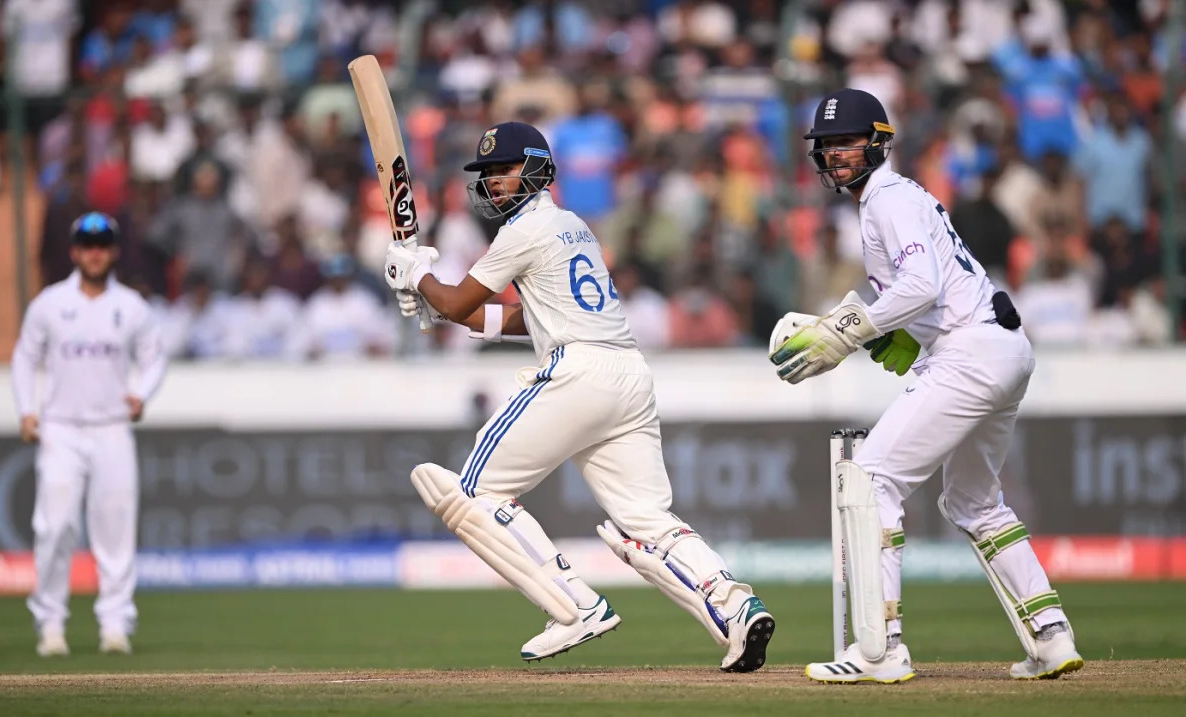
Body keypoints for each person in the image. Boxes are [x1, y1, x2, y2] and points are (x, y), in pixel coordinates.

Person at [383, 122, 774, 671]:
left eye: (505, 169)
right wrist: (436, 300)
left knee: (471, 493)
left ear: (538, 169)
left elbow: (456, 301)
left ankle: (573, 608)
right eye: (488, 174)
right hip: (628, 374)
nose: (494, 182)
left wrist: (419, 277)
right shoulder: (572, 226)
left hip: (579, 370)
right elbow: (524, 314)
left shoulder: (521, 232)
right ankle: (737, 609)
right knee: (645, 521)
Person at [768, 89, 1083, 683]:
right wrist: (898, 340)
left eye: (848, 142)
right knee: (973, 501)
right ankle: (1050, 637)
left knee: (873, 480)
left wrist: (846, 330)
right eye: (827, 145)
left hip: (971, 349)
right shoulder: (892, 200)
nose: (836, 154)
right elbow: (925, 298)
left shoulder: (886, 197)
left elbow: (920, 286)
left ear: (878, 143)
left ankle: (881, 649)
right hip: (998, 346)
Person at [10, 212, 167, 657]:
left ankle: (115, 625)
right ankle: (51, 624)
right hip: (60, 426)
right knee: (55, 527)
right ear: (75, 251)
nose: (94, 252)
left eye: (102, 244)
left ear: (113, 251)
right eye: (86, 244)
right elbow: (25, 358)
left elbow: (155, 358)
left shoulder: (131, 308)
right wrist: (26, 410)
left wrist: (141, 393)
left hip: (112, 427)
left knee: (115, 530)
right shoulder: (49, 304)